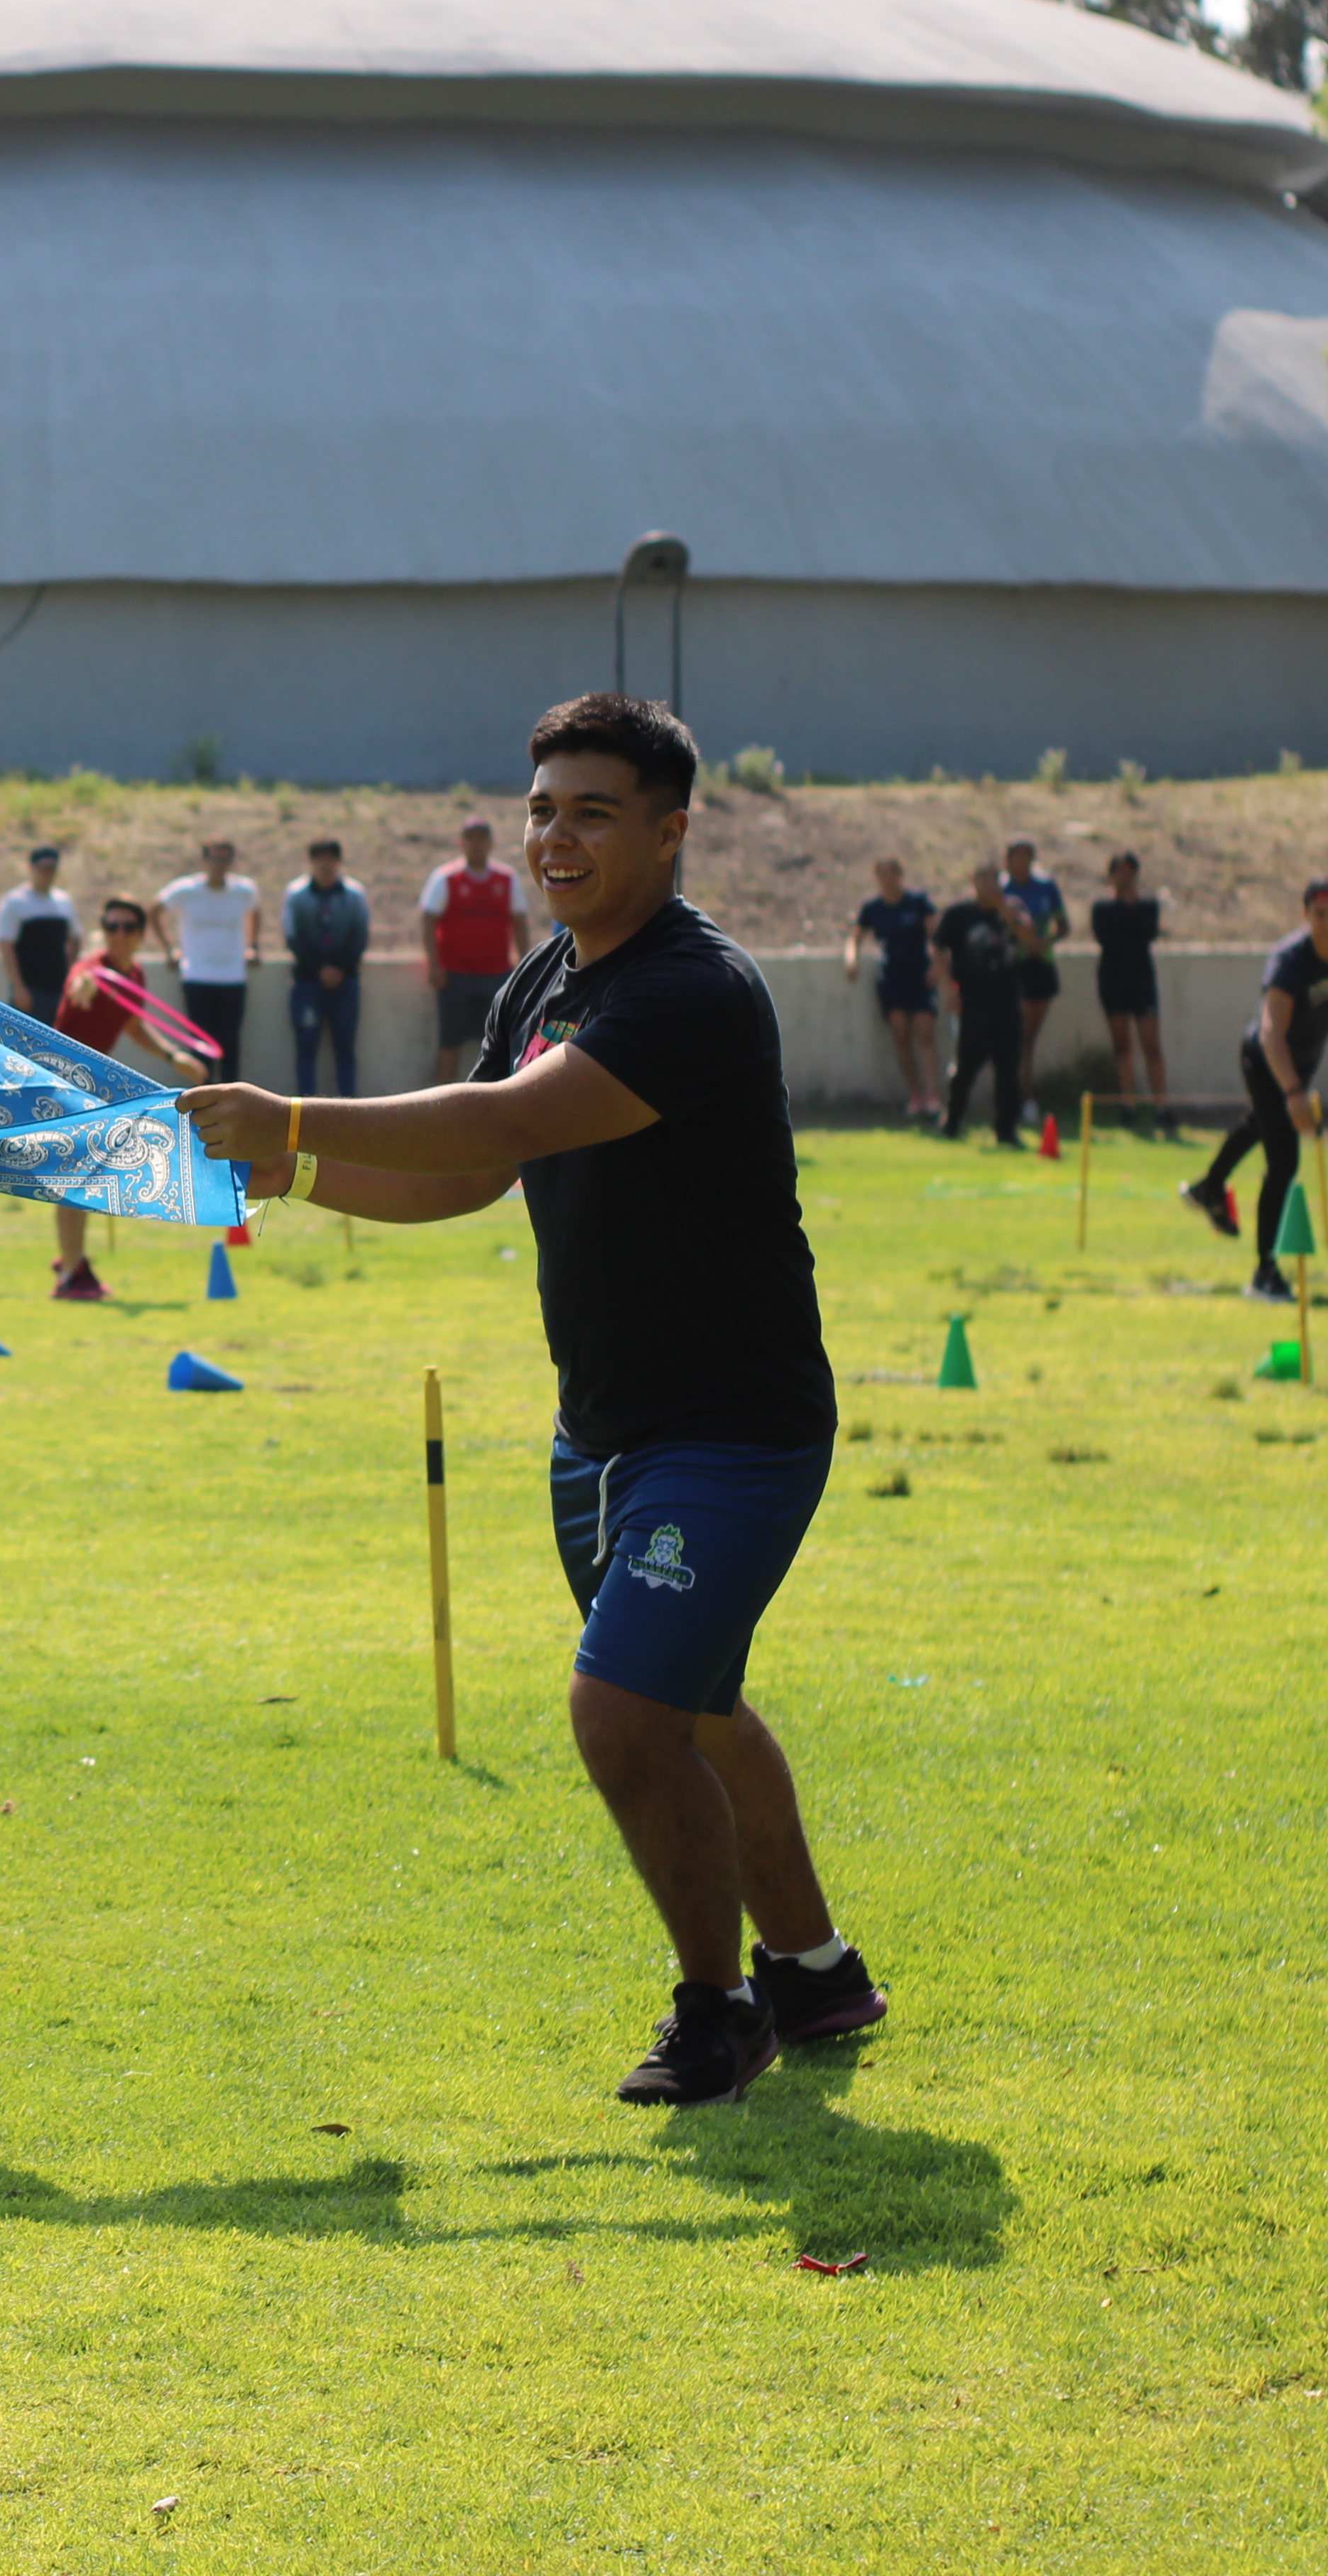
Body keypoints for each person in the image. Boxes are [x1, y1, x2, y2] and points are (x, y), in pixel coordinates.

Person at [178, 693, 883, 2106]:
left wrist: (302, 1115)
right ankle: (815, 1973)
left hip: (731, 1432)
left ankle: (717, 2005)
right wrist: (293, 1173)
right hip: (600, 1434)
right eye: (543, 807)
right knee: (695, 1709)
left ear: (671, 831)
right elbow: (471, 1173)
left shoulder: (694, 989)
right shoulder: (543, 979)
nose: (555, 836)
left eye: (593, 811)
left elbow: (506, 1118)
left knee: (623, 1715)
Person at [1189, 877, 1328, 1301]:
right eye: (1320, 915)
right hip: (1266, 1061)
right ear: (1305, 916)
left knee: (1260, 1125)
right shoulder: (1291, 962)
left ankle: (1209, 1187)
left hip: (1300, 1064)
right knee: (1284, 1161)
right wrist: (1293, 1093)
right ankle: (1264, 1274)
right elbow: (1271, 1034)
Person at [44, 899, 209, 1302]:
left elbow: (132, 1026)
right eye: (111, 925)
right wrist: (81, 984)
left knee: (83, 1177)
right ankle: (70, 1275)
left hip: (90, 1087)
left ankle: (71, 1257)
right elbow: (81, 983)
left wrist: (174, 1056)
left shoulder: (133, 974)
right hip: (62, 1082)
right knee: (75, 1177)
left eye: (128, 927)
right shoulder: (92, 970)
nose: (118, 934)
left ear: (140, 934)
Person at [418, 814, 541, 1083]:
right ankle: (439, 1114)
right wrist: (435, 965)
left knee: (502, 1047)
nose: (476, 846)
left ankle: (496, 1110)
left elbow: (519, 923)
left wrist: (524, 968)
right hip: (455, 977)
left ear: (490, 844)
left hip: (497, 976)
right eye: (470, 840)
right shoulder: (446, 878)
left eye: (481, 840)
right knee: (450, 1046)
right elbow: (428, 921)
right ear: (461, 844)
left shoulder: (506, 879)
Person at [932, 858, 1028, 1148]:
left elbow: (1029, 938)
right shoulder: (959, 914)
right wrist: (949, 989)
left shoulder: (1013, 909)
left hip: (1007, 1000)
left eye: (994, 879)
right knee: (967, 1065)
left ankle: (1006, 1130)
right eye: (983, 879)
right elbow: (938, 947)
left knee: (1009, 1068)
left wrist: (1004, 911)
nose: (990, 884)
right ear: (973, 882)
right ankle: (953, 1121)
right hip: (973, 1002)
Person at [154, 834, 261, 1078]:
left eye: (225, 859)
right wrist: (169, 948)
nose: (219, 864)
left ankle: (232, 1103)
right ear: (204, 860)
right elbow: (155, 910)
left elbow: (255, 911)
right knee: (200, 1044)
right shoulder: (187, 889)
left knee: (230, 1043)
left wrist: (252, 945)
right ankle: (203, 1103)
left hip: (233, 976)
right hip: (197, 975)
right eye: (214, 858)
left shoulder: (243, 890)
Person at [844, 860, 939, 1123]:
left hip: (919, 976)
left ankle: (933, 1095)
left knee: (925, 1032)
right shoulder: (873, 907)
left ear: (900, 875)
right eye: (882, 874)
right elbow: (855, 937)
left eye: (892, 873)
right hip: (892, 978)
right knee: (902, 1036)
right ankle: (915, 1095)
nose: (888, 879)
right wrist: (852, 960)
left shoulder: (917, 902)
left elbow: (935, 935)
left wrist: (937, 964)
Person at [281, 838, 371, 1098]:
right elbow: (293, 936)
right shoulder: (297, 895)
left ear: (338, 861)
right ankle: (305, 1111)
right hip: (308, 983)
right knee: (306, 1047)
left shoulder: (354, 895)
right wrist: (319, 969)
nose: (325, 864)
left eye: (331, 858)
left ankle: (349, 1109)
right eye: (320, 859)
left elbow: (360, 935)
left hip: (346, 983)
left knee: (345, 1048)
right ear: (311, 862)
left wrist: (341, 969)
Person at [1089, 851, 1170, 1130]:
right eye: (1119, 872)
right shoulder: (1102, 908)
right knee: (1122, 1046)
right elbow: (1104, 937)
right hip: (1113, 980)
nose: (1124, 878)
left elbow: (1148, 933)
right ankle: (1128, 1104)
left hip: (1141, 981)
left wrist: (1132, 908)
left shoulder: (1147, 906)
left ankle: (1161, 1106)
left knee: (1152, 1046)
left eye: (1129, 872)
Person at [1001, 836, 1072, 1070]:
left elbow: (1063, 926)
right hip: (1014, 966)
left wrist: (1045, 942)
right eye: (1016, 856)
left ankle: (1025, 1091)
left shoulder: (1046, 886)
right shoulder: (1002, 889)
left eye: (1026, 855)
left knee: (1029, 1036)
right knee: (1019, 1035)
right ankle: (1023, 1093)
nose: (1022, 861)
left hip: (1041, 964)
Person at [0, 845, 80, 1019]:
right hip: (31, 989)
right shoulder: (16, 902)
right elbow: (6, 946)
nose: (47, 874)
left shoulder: (63, 901)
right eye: (43, 870)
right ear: (32, 869)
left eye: (51, 870)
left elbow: (75, 937)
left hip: (59, 988)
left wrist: (72, 972)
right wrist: (19, 988)